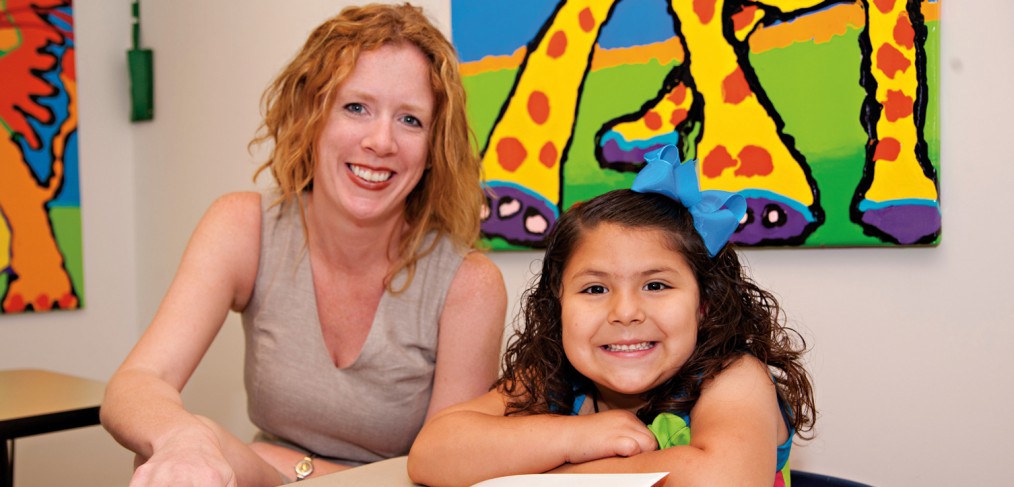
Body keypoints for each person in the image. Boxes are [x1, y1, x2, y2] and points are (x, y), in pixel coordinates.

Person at [100, 4, 507, 486]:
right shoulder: (244, 227)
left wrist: (300, 471)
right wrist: (183, 438)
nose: (381, 141)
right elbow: (137, 382)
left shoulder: (469, 284)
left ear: (434, 148)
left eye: (410, 120)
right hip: (262, 475)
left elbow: (448, 465)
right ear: (312, 115)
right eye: (356, 107)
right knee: (171, 455)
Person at [408, 144, 815, 486]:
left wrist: (549, 472)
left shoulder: (734, 378)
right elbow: (431, 453)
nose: (625, 312)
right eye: (595, 289)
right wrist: (575, 437)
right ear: (558, 306)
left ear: (704, 304)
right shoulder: (555, 379)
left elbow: (719, 479)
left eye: (656, 285)